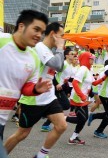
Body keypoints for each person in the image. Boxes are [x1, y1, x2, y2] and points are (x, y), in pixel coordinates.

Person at [5, 22, 68, 158]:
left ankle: (40, 155)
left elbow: (61, 67)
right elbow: (56, 64)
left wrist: (59, 49)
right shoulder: (40, 47)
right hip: (33, 99)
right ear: (53, 34)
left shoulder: (51, 50)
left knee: (61, 125)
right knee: (22, 134)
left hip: (49, 97)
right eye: (61, 35)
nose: (63, 38)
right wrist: (60, 48)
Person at [0, 10, 52, 158]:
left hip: (2, 118)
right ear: (21, 26)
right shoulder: (2, 41)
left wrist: (35, 89)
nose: (39, 35)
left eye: (42, 32)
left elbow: (26, 87)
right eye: (36, 29)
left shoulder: (34, 57)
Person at [66, 52, 106, 145]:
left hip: (82, 98)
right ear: (85, 59)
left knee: (83, 118)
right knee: (83, 118)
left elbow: (94, 83)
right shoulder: (83, 69)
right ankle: (63, 119)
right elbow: (75, 83)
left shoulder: (88, 70)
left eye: (93, 59)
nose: (93, 61)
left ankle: (73, 137)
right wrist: (82, 96)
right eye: (91, 59)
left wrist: (105, 77)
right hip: (78, 98)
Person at [41, 48, 74, 132]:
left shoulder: (70, 66)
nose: (74, 55)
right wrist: (56, 83)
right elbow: (53, 73)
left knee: (56, 104)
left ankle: (46, 122)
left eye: (74, 54)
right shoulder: (64, 64)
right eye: (72, 54)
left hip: (62, 87)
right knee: (65, 105)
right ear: (66, 55)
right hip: (57, 87)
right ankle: (47, 118)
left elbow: (67, 79)